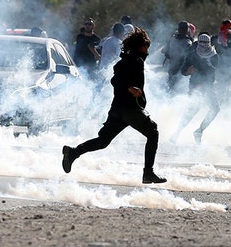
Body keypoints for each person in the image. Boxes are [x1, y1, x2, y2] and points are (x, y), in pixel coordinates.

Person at [62, 27, 167, 184]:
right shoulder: (135, 61)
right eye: (145, 47)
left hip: (118, 109)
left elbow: (115, 78)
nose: (147, 51)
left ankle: (73, 152)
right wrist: (130, 88)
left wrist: (128, 87)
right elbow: (117, 80)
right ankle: (148, 173)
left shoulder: (125, 60)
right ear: (139, 46)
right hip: (129, 109)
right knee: (153, 132)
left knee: (103, 141)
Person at [169, 33, 220, 143]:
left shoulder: (214, 55)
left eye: (205, 43)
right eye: (201, 43)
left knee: (215, 109)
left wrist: (204, 83)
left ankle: (199, 131)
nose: (203, 45)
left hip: (207, 87)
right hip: (194, 86)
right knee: (192, 111)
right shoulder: (193, 55)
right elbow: (183, 71)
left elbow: (211, 73)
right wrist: (188, 71)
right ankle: (176, 133)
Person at [162, 21, 193, 92]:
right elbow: (189, 57)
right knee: (179, 91)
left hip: (172, 68)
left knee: (170, 89)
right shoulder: (188, 42)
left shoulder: (172, 39)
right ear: (187, 30)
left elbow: (166, 53)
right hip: (182, 71)